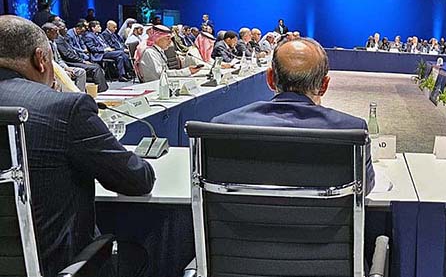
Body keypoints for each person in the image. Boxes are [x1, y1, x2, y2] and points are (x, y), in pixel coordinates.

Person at [0, 15, 155, 277]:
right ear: (41, 59)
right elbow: (136, 180)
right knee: (143, 254)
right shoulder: (62, 108)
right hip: (56, 273)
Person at [212, 37, 374, 193]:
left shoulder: (221, 126)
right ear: (324, 86)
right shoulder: (353, 130)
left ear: (270, 79)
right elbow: (363, 187)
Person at [53, 21, 109, 92]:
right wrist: (82, 61)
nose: (66, 29)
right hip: (68, 62)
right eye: (63, 27)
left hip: (74, 58)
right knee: (95, 68)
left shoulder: (63, 38)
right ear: (57, 29)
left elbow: (73, 49)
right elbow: (67, 55)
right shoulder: (58, 40)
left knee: (95, 66)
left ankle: (99, 88)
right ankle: (100, 89)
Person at [135, 25, 201, 82]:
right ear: (157, 38)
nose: (170, 42)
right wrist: (187, 71)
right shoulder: (150, 53)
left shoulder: (159, 50)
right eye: (167, 39)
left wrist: (188, 70)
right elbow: (161, 75)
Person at [42, 23, 88, 91]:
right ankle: (67, 95)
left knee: (81, 72)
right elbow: (50, 62)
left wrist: (66, 67)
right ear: (48, 32)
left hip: (60, 67)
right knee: (67, 74)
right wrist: (63, 69)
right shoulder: (43, 44)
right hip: (51, 69)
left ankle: (79, 93)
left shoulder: (53, 43)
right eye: (55, 31)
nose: (58, 33)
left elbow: (59, 59)